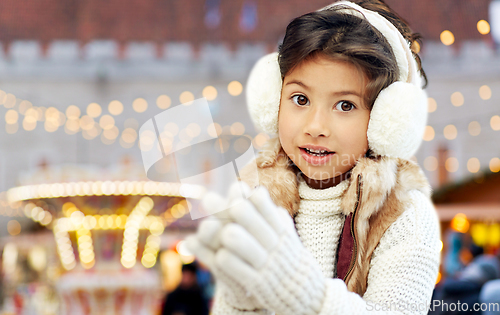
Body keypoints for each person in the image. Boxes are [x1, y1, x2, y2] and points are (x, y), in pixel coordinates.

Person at [186, 0, 441, 314]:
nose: (315, 127)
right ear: (274, 100)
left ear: (385, 122)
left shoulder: (403, 212)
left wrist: (304, 296)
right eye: (300, 99)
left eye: (345, 105)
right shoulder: (260, 199)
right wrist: (241, 300)